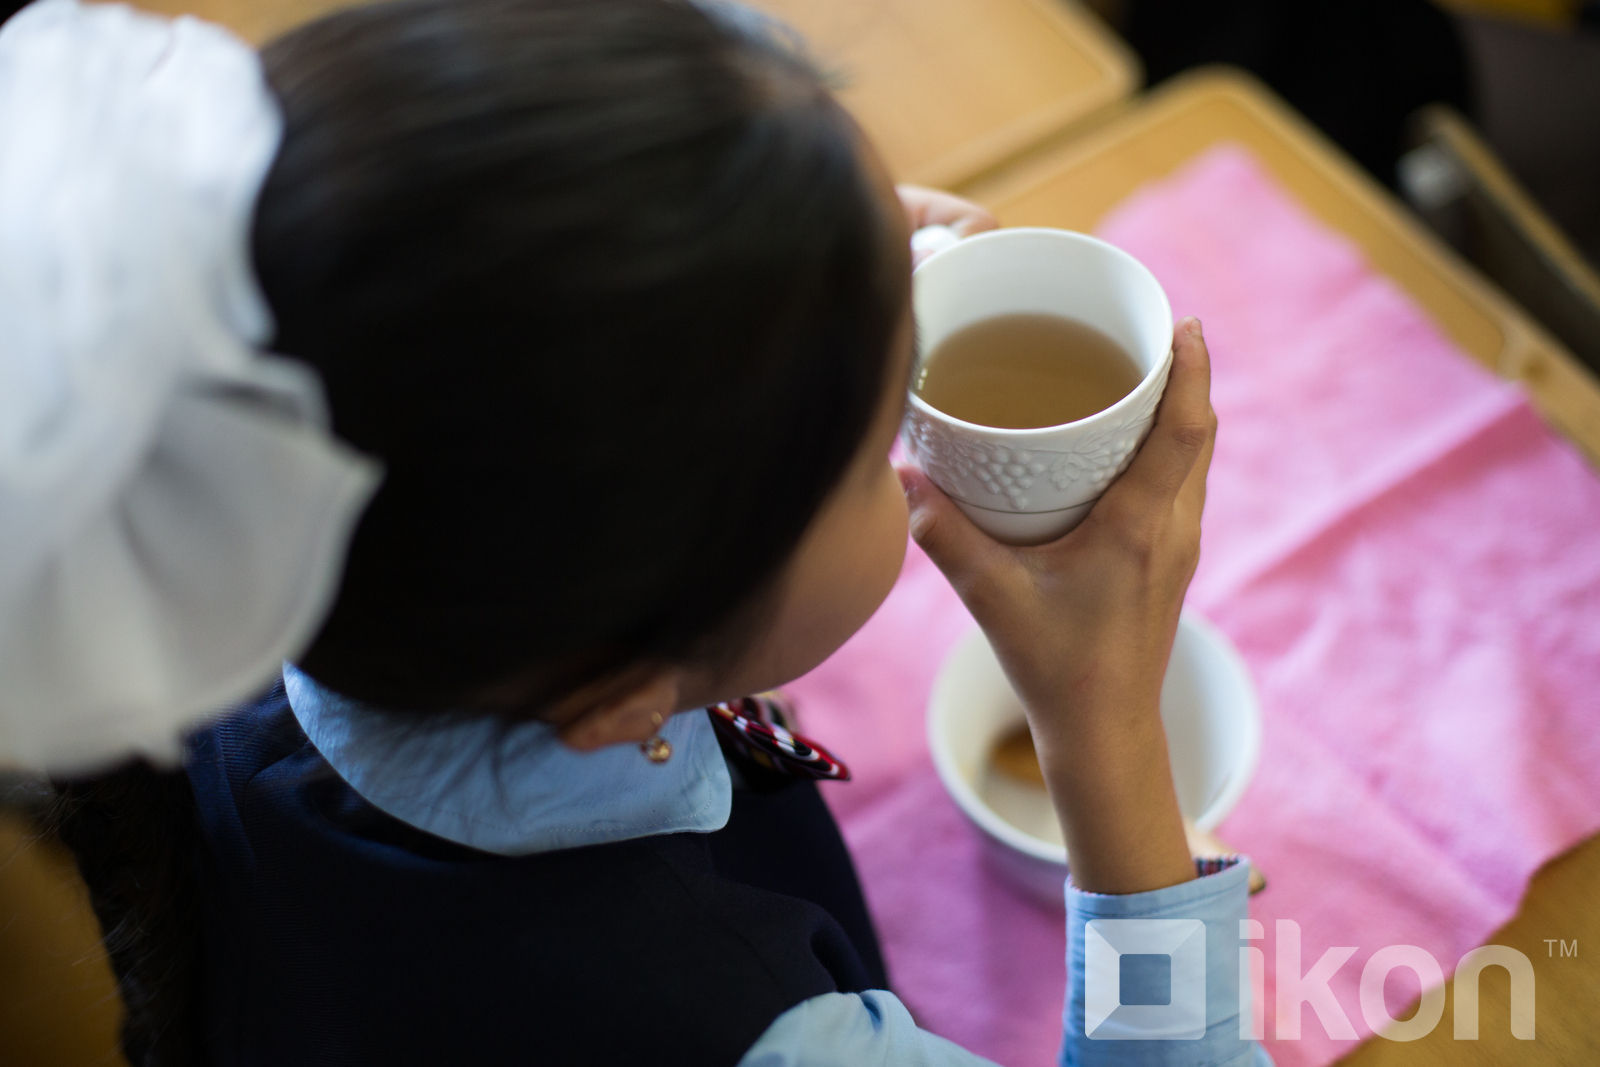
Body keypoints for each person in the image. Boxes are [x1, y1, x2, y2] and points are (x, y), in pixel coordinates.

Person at [10, 0, 1267, 1063]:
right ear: (621, 693)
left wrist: (779, 253)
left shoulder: (243, 553)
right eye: (873, 438)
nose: (904, 438)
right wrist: (1107, 731)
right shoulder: (734, 1023)